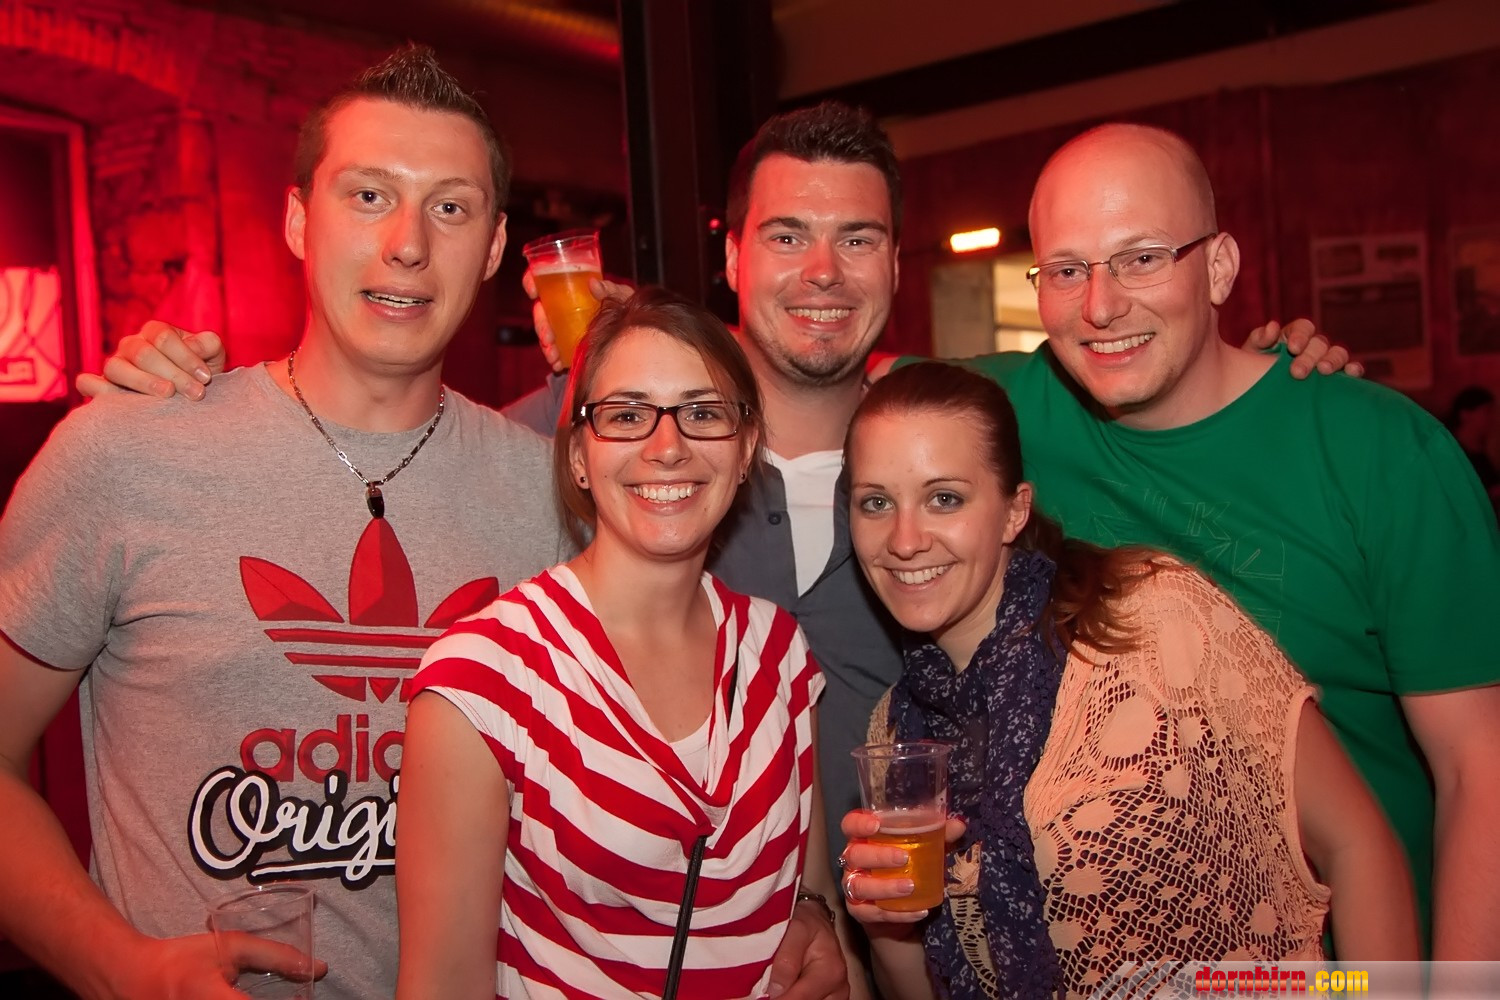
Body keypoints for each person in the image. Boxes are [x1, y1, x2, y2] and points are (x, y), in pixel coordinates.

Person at [83, 104, 1354, 882]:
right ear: (731, 254)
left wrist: (1276, 371)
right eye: (787, 235)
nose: (822, 271)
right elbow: (395, 442)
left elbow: (1146, 365)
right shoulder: (596, 449)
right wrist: (186, 390)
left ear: (895, 265)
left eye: (858, 238)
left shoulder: (972, 438)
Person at [0, 49, 844, 1000]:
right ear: (297, 220)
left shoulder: (561, 493)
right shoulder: (128, 453)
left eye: (450, 207)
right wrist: (120, 968)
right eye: (369, 196)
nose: (407, 243)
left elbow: (698, 758)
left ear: (493, 248)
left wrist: (800, 906)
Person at [917, 123, 1500, 958]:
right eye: (1068, 270)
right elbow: (820, 394)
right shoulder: (993, 423)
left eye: (1143, 258)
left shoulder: (1379, 451)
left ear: (1219, 267)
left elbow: (1479, 768)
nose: (1101, 305)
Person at [838, 362, 1418, 999]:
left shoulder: (1151, 620)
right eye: (876, 503)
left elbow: (1357, 843)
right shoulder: (898, 730)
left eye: (944, 498)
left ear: (1013, 511)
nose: (905, 540)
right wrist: (886, 925)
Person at [396, 287, 856, 999]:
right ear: (580, 456)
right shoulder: (484, 679)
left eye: (703, 413)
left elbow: (812, 894)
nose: (667, 447)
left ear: (745, 451)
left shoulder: (780, 652)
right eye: (627, 415)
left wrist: (820, 919)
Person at [1445, 384, 1499, 509]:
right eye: (1487, 411)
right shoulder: (1452, 453)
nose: (1493, 418)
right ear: (1465, 415)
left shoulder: (1481, 453)